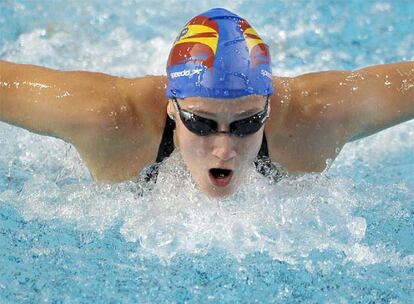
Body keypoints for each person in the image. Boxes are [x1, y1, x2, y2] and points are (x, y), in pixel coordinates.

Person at [0, 8, 413, 198]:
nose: (224, 149)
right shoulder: (107, 118)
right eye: (200, 123)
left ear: (269, 108)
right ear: (170, 107)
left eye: (247, 123)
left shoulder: (316, 117)